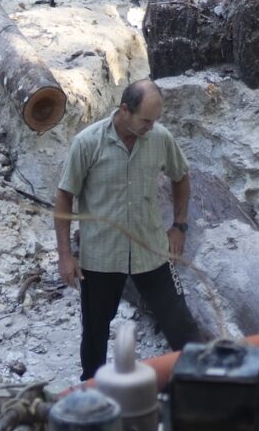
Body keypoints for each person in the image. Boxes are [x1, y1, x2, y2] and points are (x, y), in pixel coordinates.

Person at [54, 78, 206, 380]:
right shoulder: (88, 143)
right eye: (146, 120)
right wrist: (65, 255)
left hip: (151, 250)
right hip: (101, 257)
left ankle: (202, 382)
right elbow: (64, 196)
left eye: (155, 120)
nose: (151, 126)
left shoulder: (160, 138)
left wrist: (179, 225)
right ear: (125, 109)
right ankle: (92, 392)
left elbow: (182, 176)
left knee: (180, 322)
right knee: (95, 330)